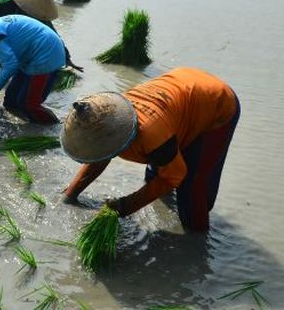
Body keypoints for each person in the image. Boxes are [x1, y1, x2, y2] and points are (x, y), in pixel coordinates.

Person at [60, 67, 240, 231]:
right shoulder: (110, 115)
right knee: (155, 175)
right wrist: (70, 195)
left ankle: (197, 246)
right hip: (181, 87)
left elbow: (174, 175)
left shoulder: (150, 135)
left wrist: (125, 206)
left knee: (191, 187)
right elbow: (101, 155)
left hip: (217, 103)